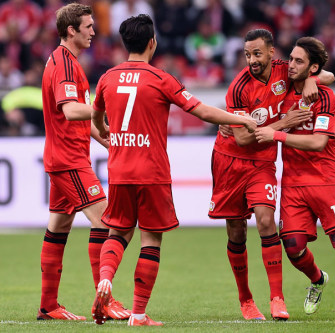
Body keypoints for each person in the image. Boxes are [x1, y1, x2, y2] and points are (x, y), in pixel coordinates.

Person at [90, 14, 257, 327]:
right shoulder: (161, 79)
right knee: (150, 240)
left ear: (125, 44)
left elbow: (96, 119)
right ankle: (138, 315)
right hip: (152, 172)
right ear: (152, 43)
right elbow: (203, 111)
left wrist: (107, 135)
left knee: (117, 232)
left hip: (120, 170)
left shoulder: (107, 78)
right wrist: (242, 120)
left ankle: (105, 280)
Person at [208, 29, 335, 321]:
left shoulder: (285, 72)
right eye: (247, 54)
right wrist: (286, 121)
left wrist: (313, 79)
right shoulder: (238, 87)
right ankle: (246, 300)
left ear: (270, 52)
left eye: (257, 53)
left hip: (263, 163)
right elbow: (242, 139)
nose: (251, 60)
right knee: (236, 230)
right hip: (230, 161)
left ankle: (277, 299)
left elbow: (330, 77)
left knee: (266, 220)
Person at [255, 36, 335, 321]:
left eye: (299, 61)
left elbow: (319, 143)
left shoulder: (326, 97)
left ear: (312, 67)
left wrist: (278, 134)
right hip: (293, 183)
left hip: (325, 178)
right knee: (293, 248)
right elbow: (323, 74)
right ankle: (318, 279)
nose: (291, 65)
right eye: (291, 59)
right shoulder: (282, 92)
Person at [38, 3, 130, 321]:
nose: (94, 31)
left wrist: (99, 134)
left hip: (67, 155)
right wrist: (106, 108)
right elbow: (69, 109)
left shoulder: (68, 62)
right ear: (71, 31)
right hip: (69, 160)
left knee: (58, 228)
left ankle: (48, 306)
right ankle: (104, 301)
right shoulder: (64, 64)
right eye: (88, 26)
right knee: (105, 222)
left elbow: (76, 111)